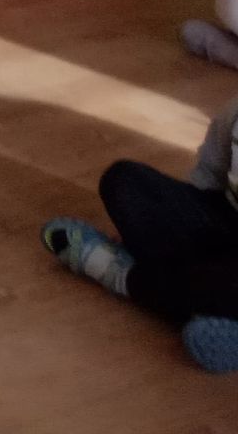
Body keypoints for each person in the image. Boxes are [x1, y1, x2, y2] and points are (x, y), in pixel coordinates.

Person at [43, 93, 238, 373]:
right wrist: (168, 220)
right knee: (122, 180)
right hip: (224, 228)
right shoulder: (234, 111)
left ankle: (121, 275)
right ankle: (207, 302)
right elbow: (208, 176)